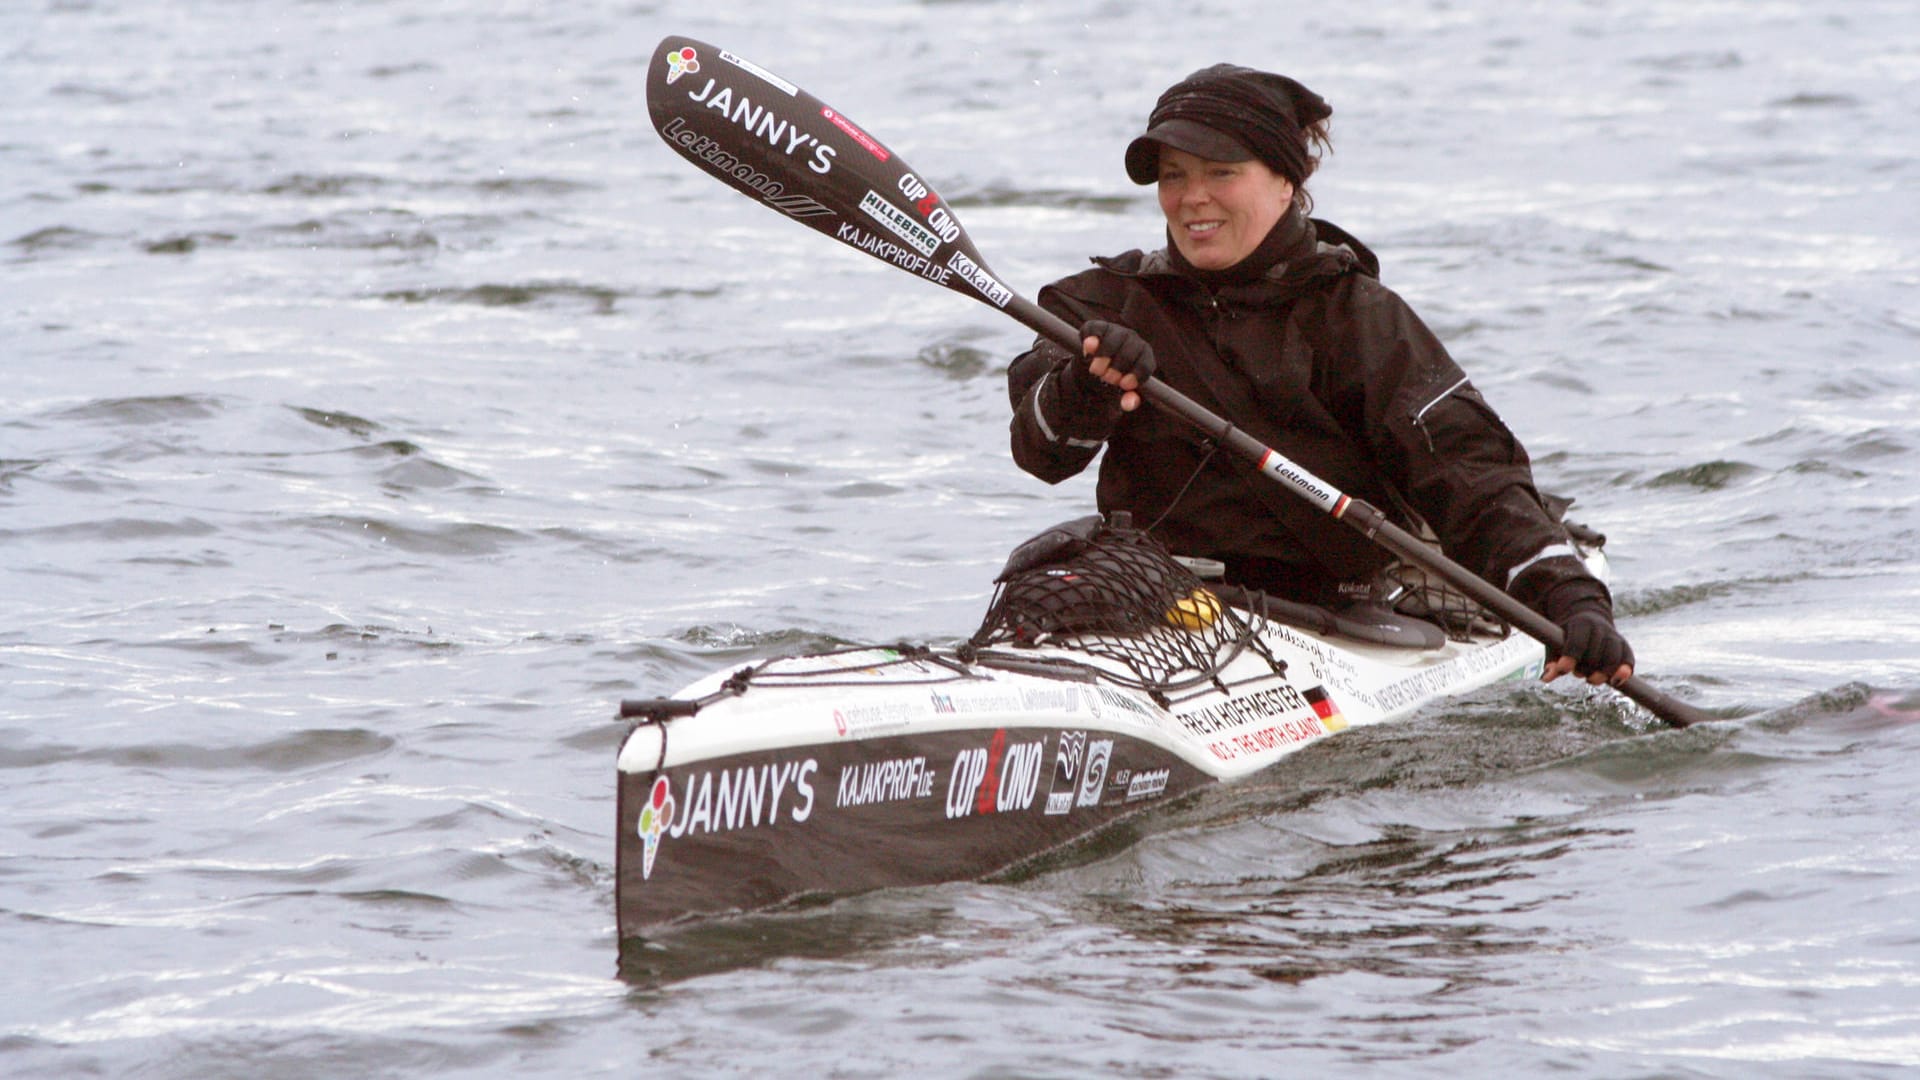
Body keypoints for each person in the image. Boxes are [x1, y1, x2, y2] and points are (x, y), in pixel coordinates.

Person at [1006, 63, 1633, 687]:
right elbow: (1042, 451)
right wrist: (1087, 387)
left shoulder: (1357, 317)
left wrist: (1571, 597)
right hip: (1153, 598)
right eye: (1174, 176)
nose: (1192, 197)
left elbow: (1470, 472)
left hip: (1332, 618)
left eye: (1221, 173)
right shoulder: (1103, 307)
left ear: (1287, 181)